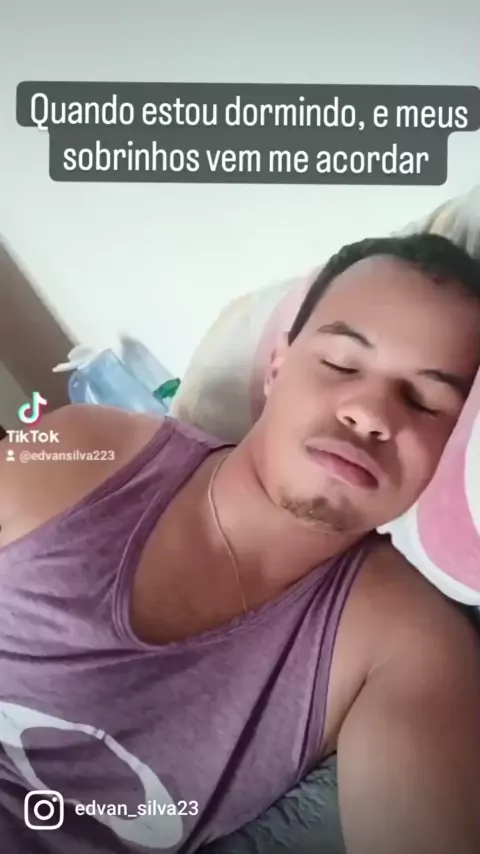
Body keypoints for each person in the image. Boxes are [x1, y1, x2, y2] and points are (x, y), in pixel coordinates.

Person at [0, 233, 480, 854]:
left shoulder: (408, 650)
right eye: (341, 364)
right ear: (277, 368)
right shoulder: (80, 448)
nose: (369, 413)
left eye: (424, 400)